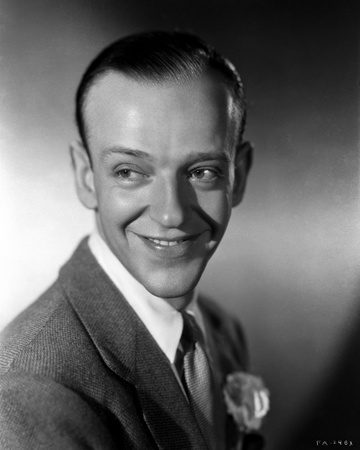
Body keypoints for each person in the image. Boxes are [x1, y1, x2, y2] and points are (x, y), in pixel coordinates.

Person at [0, 31, 267, 449]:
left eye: (202, 172)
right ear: (86, 176)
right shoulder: (31, 396)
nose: (170, 214)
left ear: (240, 176)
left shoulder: (220, 330)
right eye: (129, 171)